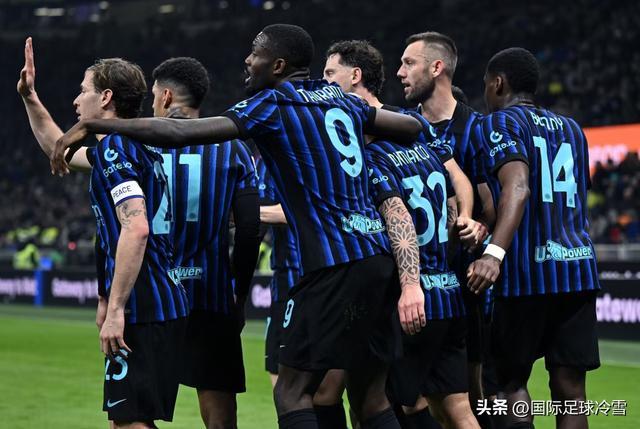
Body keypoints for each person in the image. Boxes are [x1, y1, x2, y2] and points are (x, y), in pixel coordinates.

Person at [52, 24, 424, 429]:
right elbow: (412, 128)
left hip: (334, 264)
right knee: (370, 397)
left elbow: (178, 131)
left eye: (255, 52)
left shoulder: (273, 103)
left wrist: (99, 125)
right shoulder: (339, 98)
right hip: (378, 258)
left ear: (278, 65)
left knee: (292, 392)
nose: (248, 60)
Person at [18, 38, 188, 427]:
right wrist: (30, 96)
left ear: (106, 97)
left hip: (145, 305)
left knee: (129, 422)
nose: (77, 101)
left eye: (84, 91)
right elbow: (57, 147)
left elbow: (136, 227)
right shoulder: (130, 146)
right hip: (161, 301)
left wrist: (115, 310)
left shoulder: (116, 149)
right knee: (126, 419)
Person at [324, 39, 479, 429]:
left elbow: (397, 217)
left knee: (382, 404)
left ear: (354, 77)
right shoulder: (414, 128)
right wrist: (463, 217)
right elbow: (456, 180)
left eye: (329, 74)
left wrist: (409, 284)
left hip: (408, 296)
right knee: (457, 408)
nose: (323, 83)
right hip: (448, 289)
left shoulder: (369, 153)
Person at [468, 47, 601, 429]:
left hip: (527, 273)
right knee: (572, 390)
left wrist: (493, 253)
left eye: (486, 85)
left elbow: (519, 187)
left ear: (498, 83)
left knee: (510, 384)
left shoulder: (499, 123)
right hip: (577, 270)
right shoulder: (573, 129)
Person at [151, 57, 261, 429]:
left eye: (154, 96)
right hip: (212, 294)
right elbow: (249, 229)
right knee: (220, 415)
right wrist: (239, 296)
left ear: (166, 97)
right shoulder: (232, 147)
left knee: (135, 411)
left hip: (154, 294)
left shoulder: (142, 144)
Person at [397, 32, 496, 427]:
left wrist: (479, 227)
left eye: (409, 63)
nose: (400, 72)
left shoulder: (476, 128)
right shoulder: (405, 125)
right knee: (428, 401)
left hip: (467, 286)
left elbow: (492, 204)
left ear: (436, 68)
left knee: (471, 395)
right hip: (421, 282)